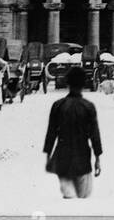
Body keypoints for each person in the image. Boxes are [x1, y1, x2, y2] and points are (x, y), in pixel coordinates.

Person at [43, 66, 103, 198]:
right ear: (83, 84)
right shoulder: (88, 106)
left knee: (68, 200)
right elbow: (95, 136)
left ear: (67, 83)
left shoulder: (58, 105)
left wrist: (48, 156)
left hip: (62, 159)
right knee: (83, 200)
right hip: (83, 160)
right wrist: (97, 159)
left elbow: (51, 133)